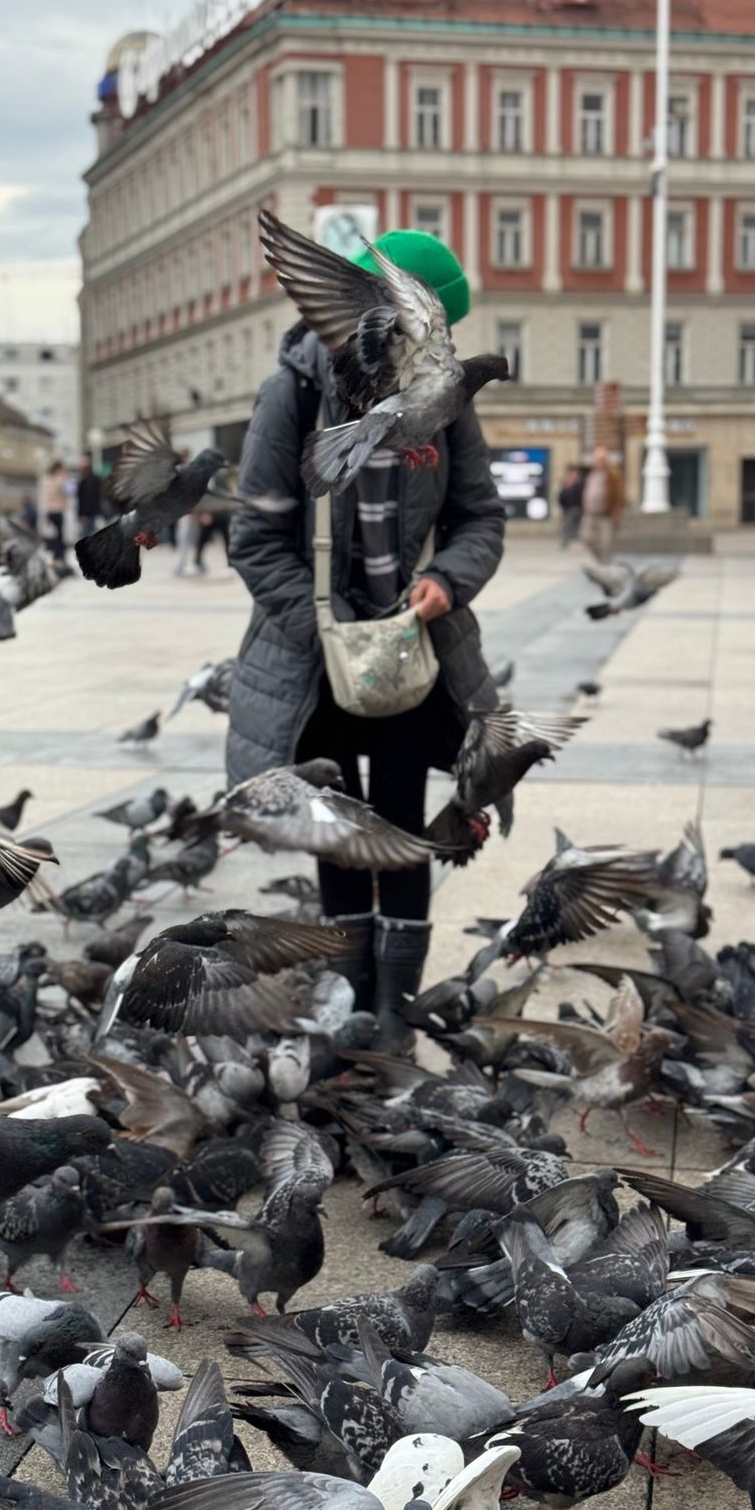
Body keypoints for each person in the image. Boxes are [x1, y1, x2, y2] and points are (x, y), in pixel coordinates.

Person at [227, 227, 505, 1054]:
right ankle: (350, 998)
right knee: (338, 826)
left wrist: (447, 580)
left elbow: (479, 515)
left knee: (403, 820)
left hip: (412, 646)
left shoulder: (444, 397)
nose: (436, 346)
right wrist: (320, 626)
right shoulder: (293, 396)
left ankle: (394, 1011)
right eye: (428, 328)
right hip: (316, 658)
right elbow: (256, 538)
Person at [579, 446, 623, 564]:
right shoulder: (591, 475)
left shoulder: (612, 476)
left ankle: (605, 565)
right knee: (586, 539)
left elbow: (618, 496)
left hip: (605, 515)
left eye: (601, 459)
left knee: (606, 543)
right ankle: (601, 561)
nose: (598, 462)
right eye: (596, 459)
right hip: (590, 514)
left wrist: (615, 512)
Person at [193, 500, 232, 573]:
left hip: (223, 515)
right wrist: (202, 513)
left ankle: (230, 564)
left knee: (227, 541)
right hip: (208, 515)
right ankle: (197, 562)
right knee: (202, 541)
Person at [40, 460, 67, 560]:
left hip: (53, 510)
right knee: (58, 535)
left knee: (57, 534)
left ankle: (57, 554)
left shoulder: (47, 478)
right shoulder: (57, 479)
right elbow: (60, 490)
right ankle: (58, 555)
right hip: (56, 510)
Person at [76, 454, 104, 539]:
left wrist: (84, 514)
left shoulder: (87, 481)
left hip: (88, 514)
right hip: (94, 512)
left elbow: (86, 499)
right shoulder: (95, 479)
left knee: (87, 536)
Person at [557, 463, 584, 550]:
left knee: (570, 525)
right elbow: (561, 496)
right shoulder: (566, 484)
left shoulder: (578, 485)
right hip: (567, 508)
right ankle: (568, 541)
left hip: (575, 507)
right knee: (568, 525)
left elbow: (581, 496)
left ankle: (567, 541)